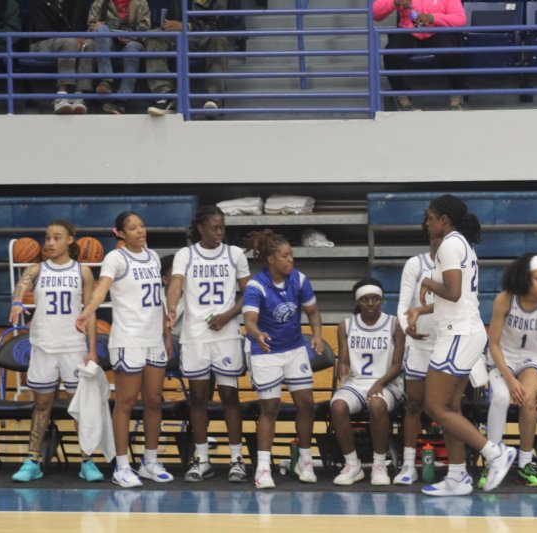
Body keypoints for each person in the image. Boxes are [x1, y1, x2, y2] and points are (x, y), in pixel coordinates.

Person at [406, 194, 516, 496]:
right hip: (462, 331)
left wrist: (427, 282)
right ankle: (457, 477)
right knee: (450, 407)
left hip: (459, 335)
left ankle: (495, 453)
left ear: (444, 220)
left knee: (435, 406)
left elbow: (452, 292)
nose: (427, 223)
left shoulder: (449, 245)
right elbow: (460, 298)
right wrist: (422, 309)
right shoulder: (461, 244)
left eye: (431, 218)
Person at [76, 211, 174, 488]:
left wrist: (166, 333)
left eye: (141, 226)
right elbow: (100, 290)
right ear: (119, 233)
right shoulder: (115, 258)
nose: (140, 231)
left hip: (153, 339)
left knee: (154, 401)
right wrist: (87, 312)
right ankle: (121, 466)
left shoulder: (152, 257)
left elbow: (159, 299)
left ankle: (149, 462)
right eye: (132, 228)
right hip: (128, 339)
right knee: (126, 403)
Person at [9, 220, 102, 483]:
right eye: (47, 237)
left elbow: (90, 311)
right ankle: (32, 461)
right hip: (44, 346)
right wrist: (17, 302)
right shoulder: (36, 269)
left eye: (57, 237)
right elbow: (21, 285)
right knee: (41, 406)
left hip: (73, 347)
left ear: (70, 240)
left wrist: (92, 348)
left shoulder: (83, 272)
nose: (50, 242)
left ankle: (87, 461)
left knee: (80, 406)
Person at [165, 206, 251, 483]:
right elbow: (176, 284)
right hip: (195, 336)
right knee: (199, 399)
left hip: (226, 335)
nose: (219, 232)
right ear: (200, 228)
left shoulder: (235, 254)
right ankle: (202, 459)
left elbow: (249, 293)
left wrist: (229, 314)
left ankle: (237, 459)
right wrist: (171, 306)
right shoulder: (185, 255)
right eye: (214, 227)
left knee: (229, 397)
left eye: (222, 227)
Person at [242, 229, 323, 489]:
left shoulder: (299, 280)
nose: (291, 260)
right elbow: (249, 320)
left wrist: (317, 335)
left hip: (294, 348)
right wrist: (258, 334)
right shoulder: (256, 286)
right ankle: (263, 467)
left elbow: (313, 312)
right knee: (270, 408)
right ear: (271, 259)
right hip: (266, 350)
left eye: (291, 255)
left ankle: (305, 461)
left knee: (306, 404)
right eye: (285, 256)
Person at [478, 252, 537, 489]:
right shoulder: (505, 299)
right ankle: (492, 461)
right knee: (501, 397)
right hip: (502, 356)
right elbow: (493, 344)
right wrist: (510, 379)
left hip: (532, 357)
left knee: (528, 400)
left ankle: (525, 465)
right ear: (525, 279)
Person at [331, 278, 405, 486]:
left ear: (382, 300)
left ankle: (379, 464)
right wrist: (342, 367)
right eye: (365, 299)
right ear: (357, 302)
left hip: (388, 382)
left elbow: (397, 365)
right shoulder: (346, 325)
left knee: (376, 404)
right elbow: (343, 360)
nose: (370, 303)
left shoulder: (395, 324)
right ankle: (352, 464)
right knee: (337, 406)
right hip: (356, 383)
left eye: (375, 299)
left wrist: (379, 383)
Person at [392, 227, 441, 485]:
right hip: (420, 346)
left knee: (450, 408)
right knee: (413, 405)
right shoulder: (415, 264)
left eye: (444, 237)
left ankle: (458, 467)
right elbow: (403, 305)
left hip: (448, 345)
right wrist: (407, 328)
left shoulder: (459, 267)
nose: (439, 241)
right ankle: (409, 465)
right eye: (436, 236)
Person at [372, 0, 466, 111]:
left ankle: (456, 93)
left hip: (438, 30)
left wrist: (433, 18)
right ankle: (401, 95)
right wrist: (393, 3)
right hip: (408, 32)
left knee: (451, 52)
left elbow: (460, 19)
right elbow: (375, 14)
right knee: (392, 54)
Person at [144, 0, 230, 116]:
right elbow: (172, 18)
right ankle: (165, 97)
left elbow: (217, 25)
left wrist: (187, 26)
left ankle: (213, 99)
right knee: (154, 36)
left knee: (219, 40)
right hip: (179, 37)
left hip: (202, 36)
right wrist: (170, 25)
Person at [29, 0, 93, 114]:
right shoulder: (37, 2)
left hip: (70, 40)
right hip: (42, 42)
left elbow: (80, 25)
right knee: (69, 42)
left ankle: (79, 96)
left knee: (90, 44)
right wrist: (73, 38)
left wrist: (80, 38)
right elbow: (42, 29)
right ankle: (62, 95)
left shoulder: (78, 2)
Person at [88, 0, 151, 115]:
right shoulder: (100, 2)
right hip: (108, 42)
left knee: (133, 48)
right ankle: (106, 81)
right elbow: (90, 27)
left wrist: (132, 37)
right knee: (101, 30)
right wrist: (96, 27)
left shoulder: (141, 3)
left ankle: (121, 100)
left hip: (131, 42)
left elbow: (145, 30)